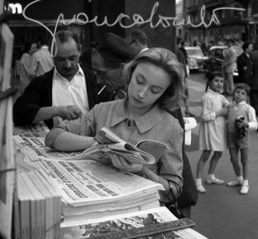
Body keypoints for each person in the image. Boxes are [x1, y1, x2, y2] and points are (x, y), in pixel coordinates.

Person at [45, 48, 184, 206]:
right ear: (130, 74)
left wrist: (142, 171)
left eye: (155, 90)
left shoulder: (171, 128)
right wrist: (98, 144)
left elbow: (174, 190)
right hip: (94, 203)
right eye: (139, 81)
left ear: (165, 93)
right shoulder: (102, 110)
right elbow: (53, 137)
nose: (142, 93)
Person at [13, 30, 101, 129]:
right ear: (52, 54)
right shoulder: (41, 83)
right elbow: (18, 113)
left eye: (72, 58)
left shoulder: (95, 80)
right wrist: (57, 111)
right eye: (61, 59)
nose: (68, 65)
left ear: (79, 50)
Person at [195, 72, 229, 193]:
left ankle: (210, 176)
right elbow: (204, 116)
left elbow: (228, 106)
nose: (219, 83)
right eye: (216, 81)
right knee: (206, 154)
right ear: (210, 82)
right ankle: (198, 180)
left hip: (220, 129)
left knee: (218, 153)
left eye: (221, 81)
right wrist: (220, 112)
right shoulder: (207, 96)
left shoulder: (220, 96)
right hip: (210, 130)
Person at [91, 32, 142, 100]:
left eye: (102, 73)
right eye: (96, 73)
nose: (98, 81)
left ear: (123, 68)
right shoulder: (107, 96)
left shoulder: (145, 98)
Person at [226, 83, 257, 194]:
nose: (239, 95)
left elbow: (255, 124)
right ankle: (238, 178)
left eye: (242, 93)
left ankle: (245, 182)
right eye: (237, 92)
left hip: (243, 137)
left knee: (244, 161)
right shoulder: (229, 106)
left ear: (246, 96)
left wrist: (246, 124)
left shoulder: (249, 108)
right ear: (234, 93)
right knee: (233, 159)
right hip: (231, 136)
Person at [250, 48, 258, 118]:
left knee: (254, 103)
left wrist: (246, 83)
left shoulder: (253, 54)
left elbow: (249, 72)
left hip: (255, 83)